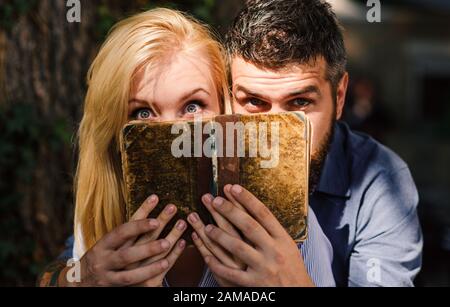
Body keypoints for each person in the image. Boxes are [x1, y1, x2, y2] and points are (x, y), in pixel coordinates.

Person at [37, 8, 335, 287]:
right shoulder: (105, 210)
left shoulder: (286, 227)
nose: (173, 133)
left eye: (192, 106)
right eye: (142, 113)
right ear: (115, 135)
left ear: (225, 109)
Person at [191, 0, 422, 287]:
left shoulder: (381, 182)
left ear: (339, 98)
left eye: (299, 103)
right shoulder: (194, 164)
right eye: (254, 102)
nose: (275, 135)